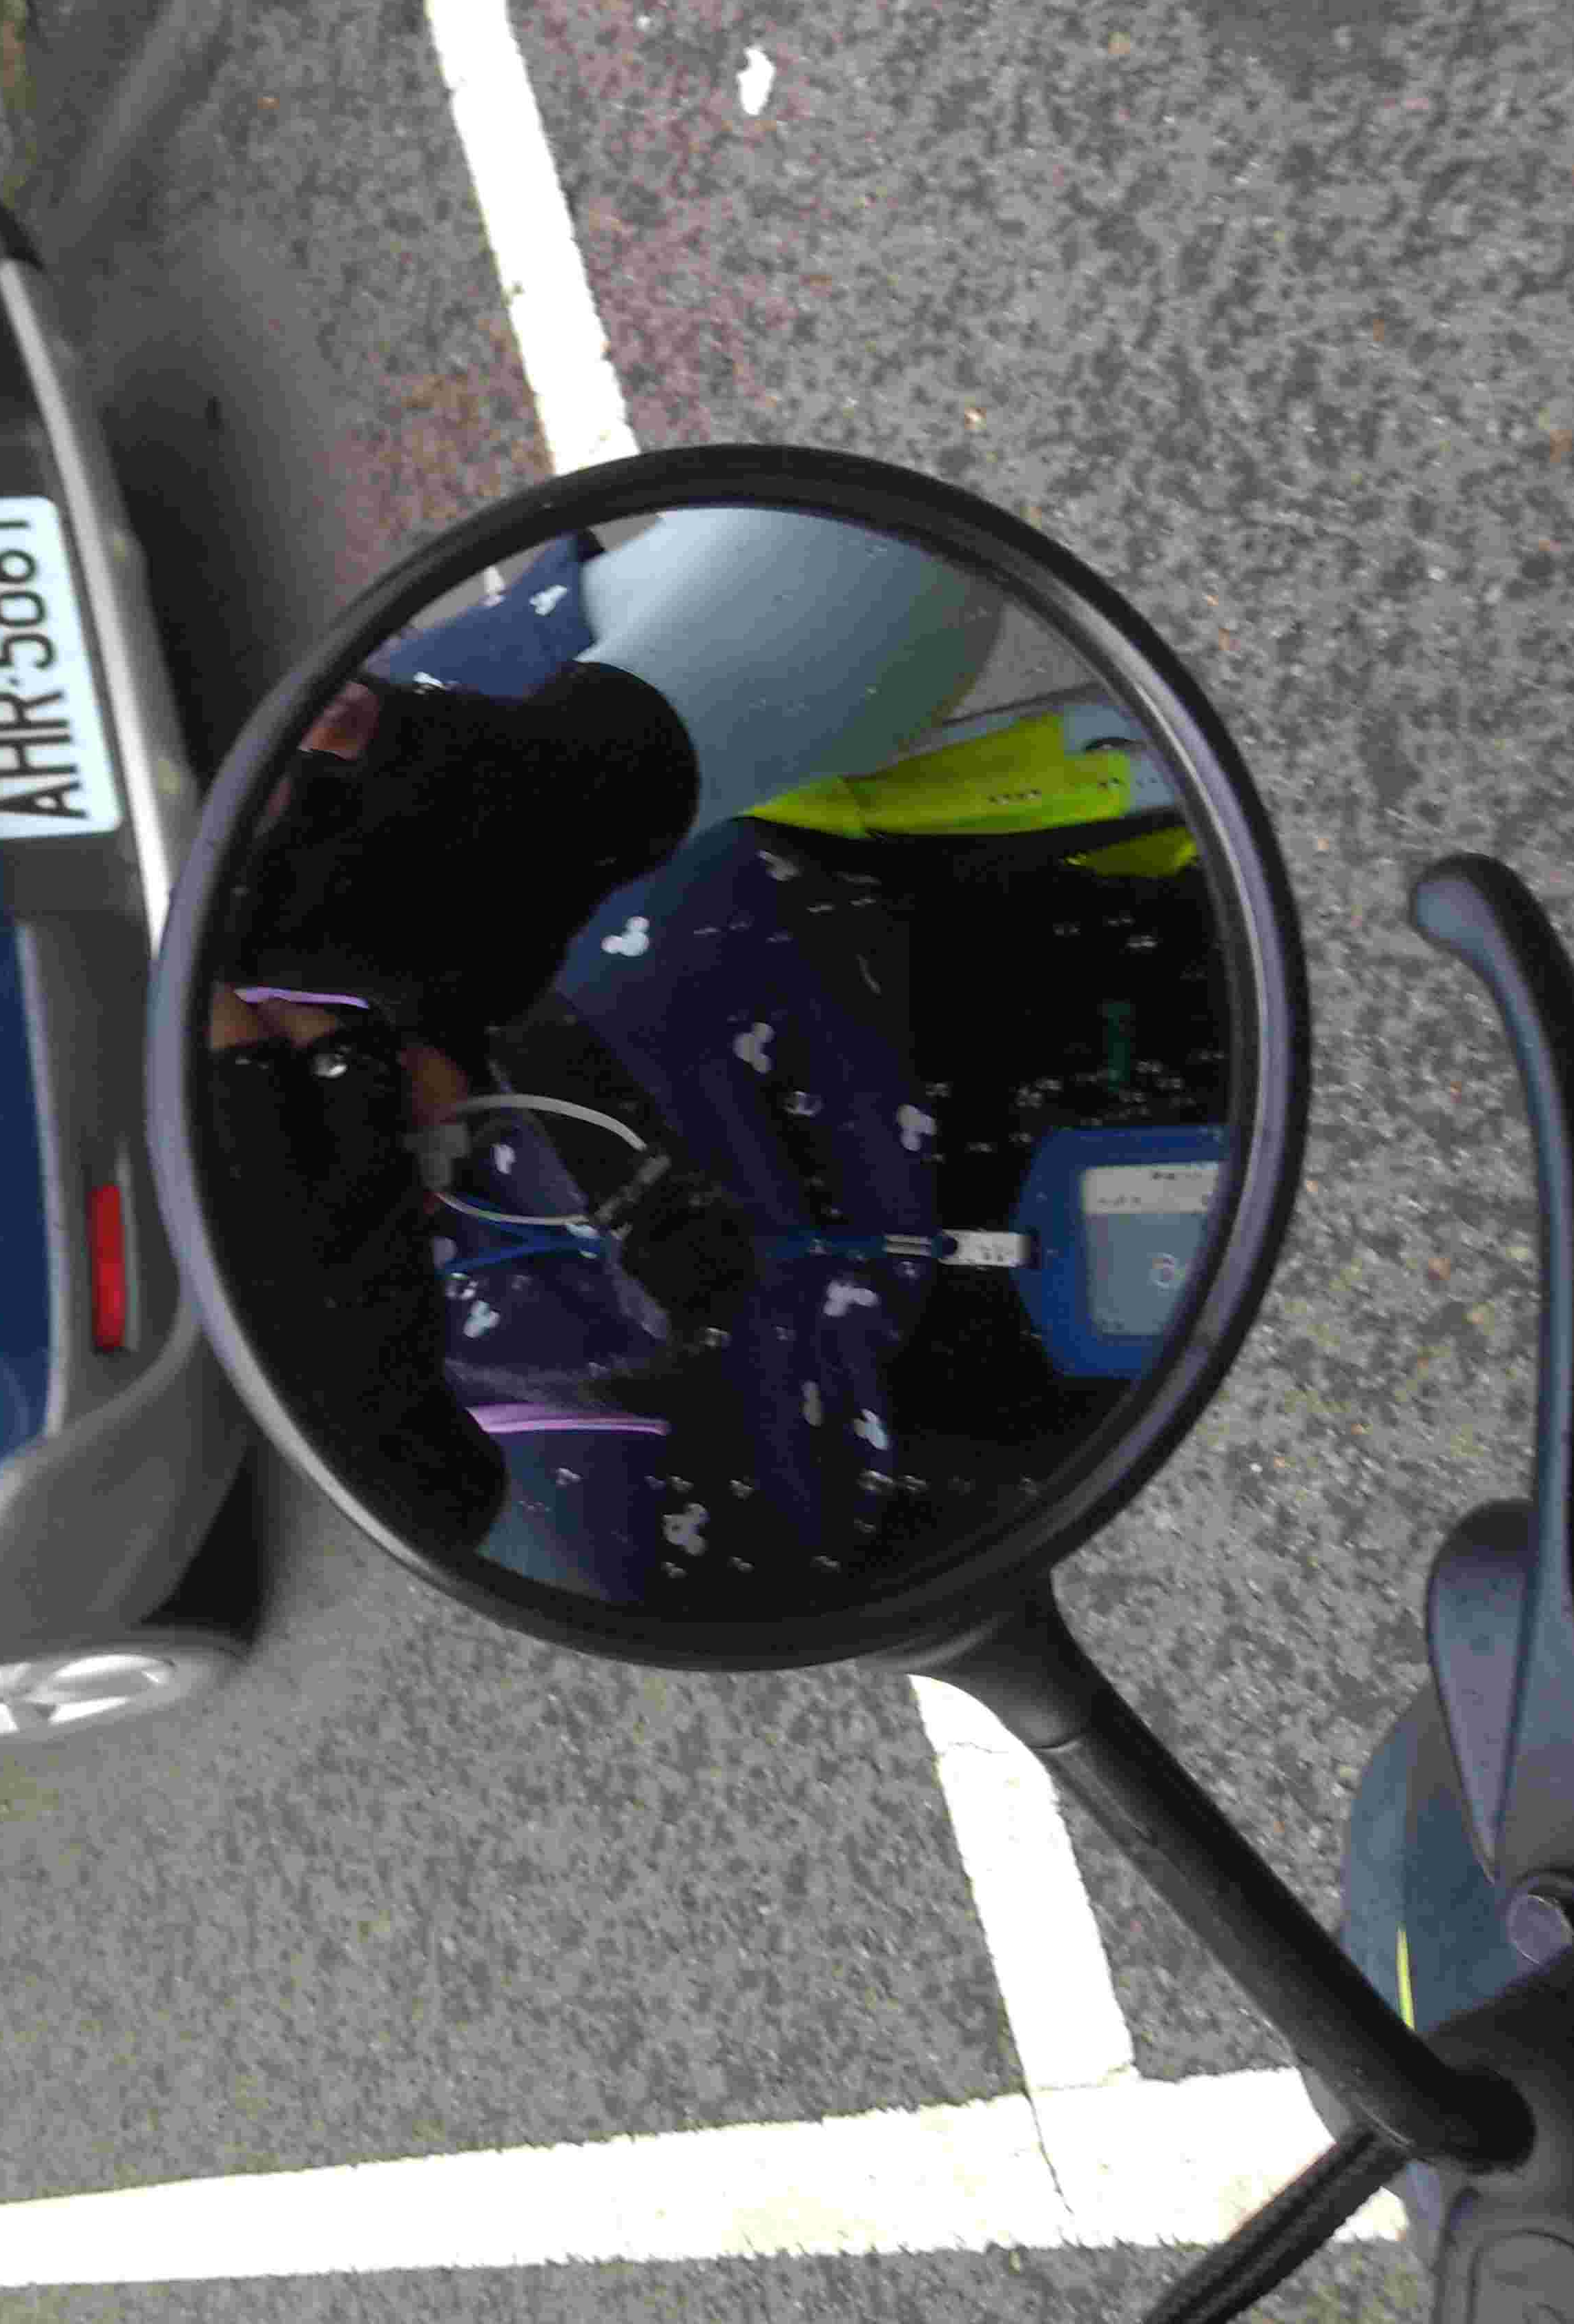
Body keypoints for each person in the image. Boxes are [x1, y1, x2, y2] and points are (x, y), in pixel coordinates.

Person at [201, 511, 1010, 1567]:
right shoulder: (454, 1417)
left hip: (1086, 915)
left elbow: (898, 560)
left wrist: (594, 769)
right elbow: (685, 1599)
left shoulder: (327, 842)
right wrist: (386, 1434)